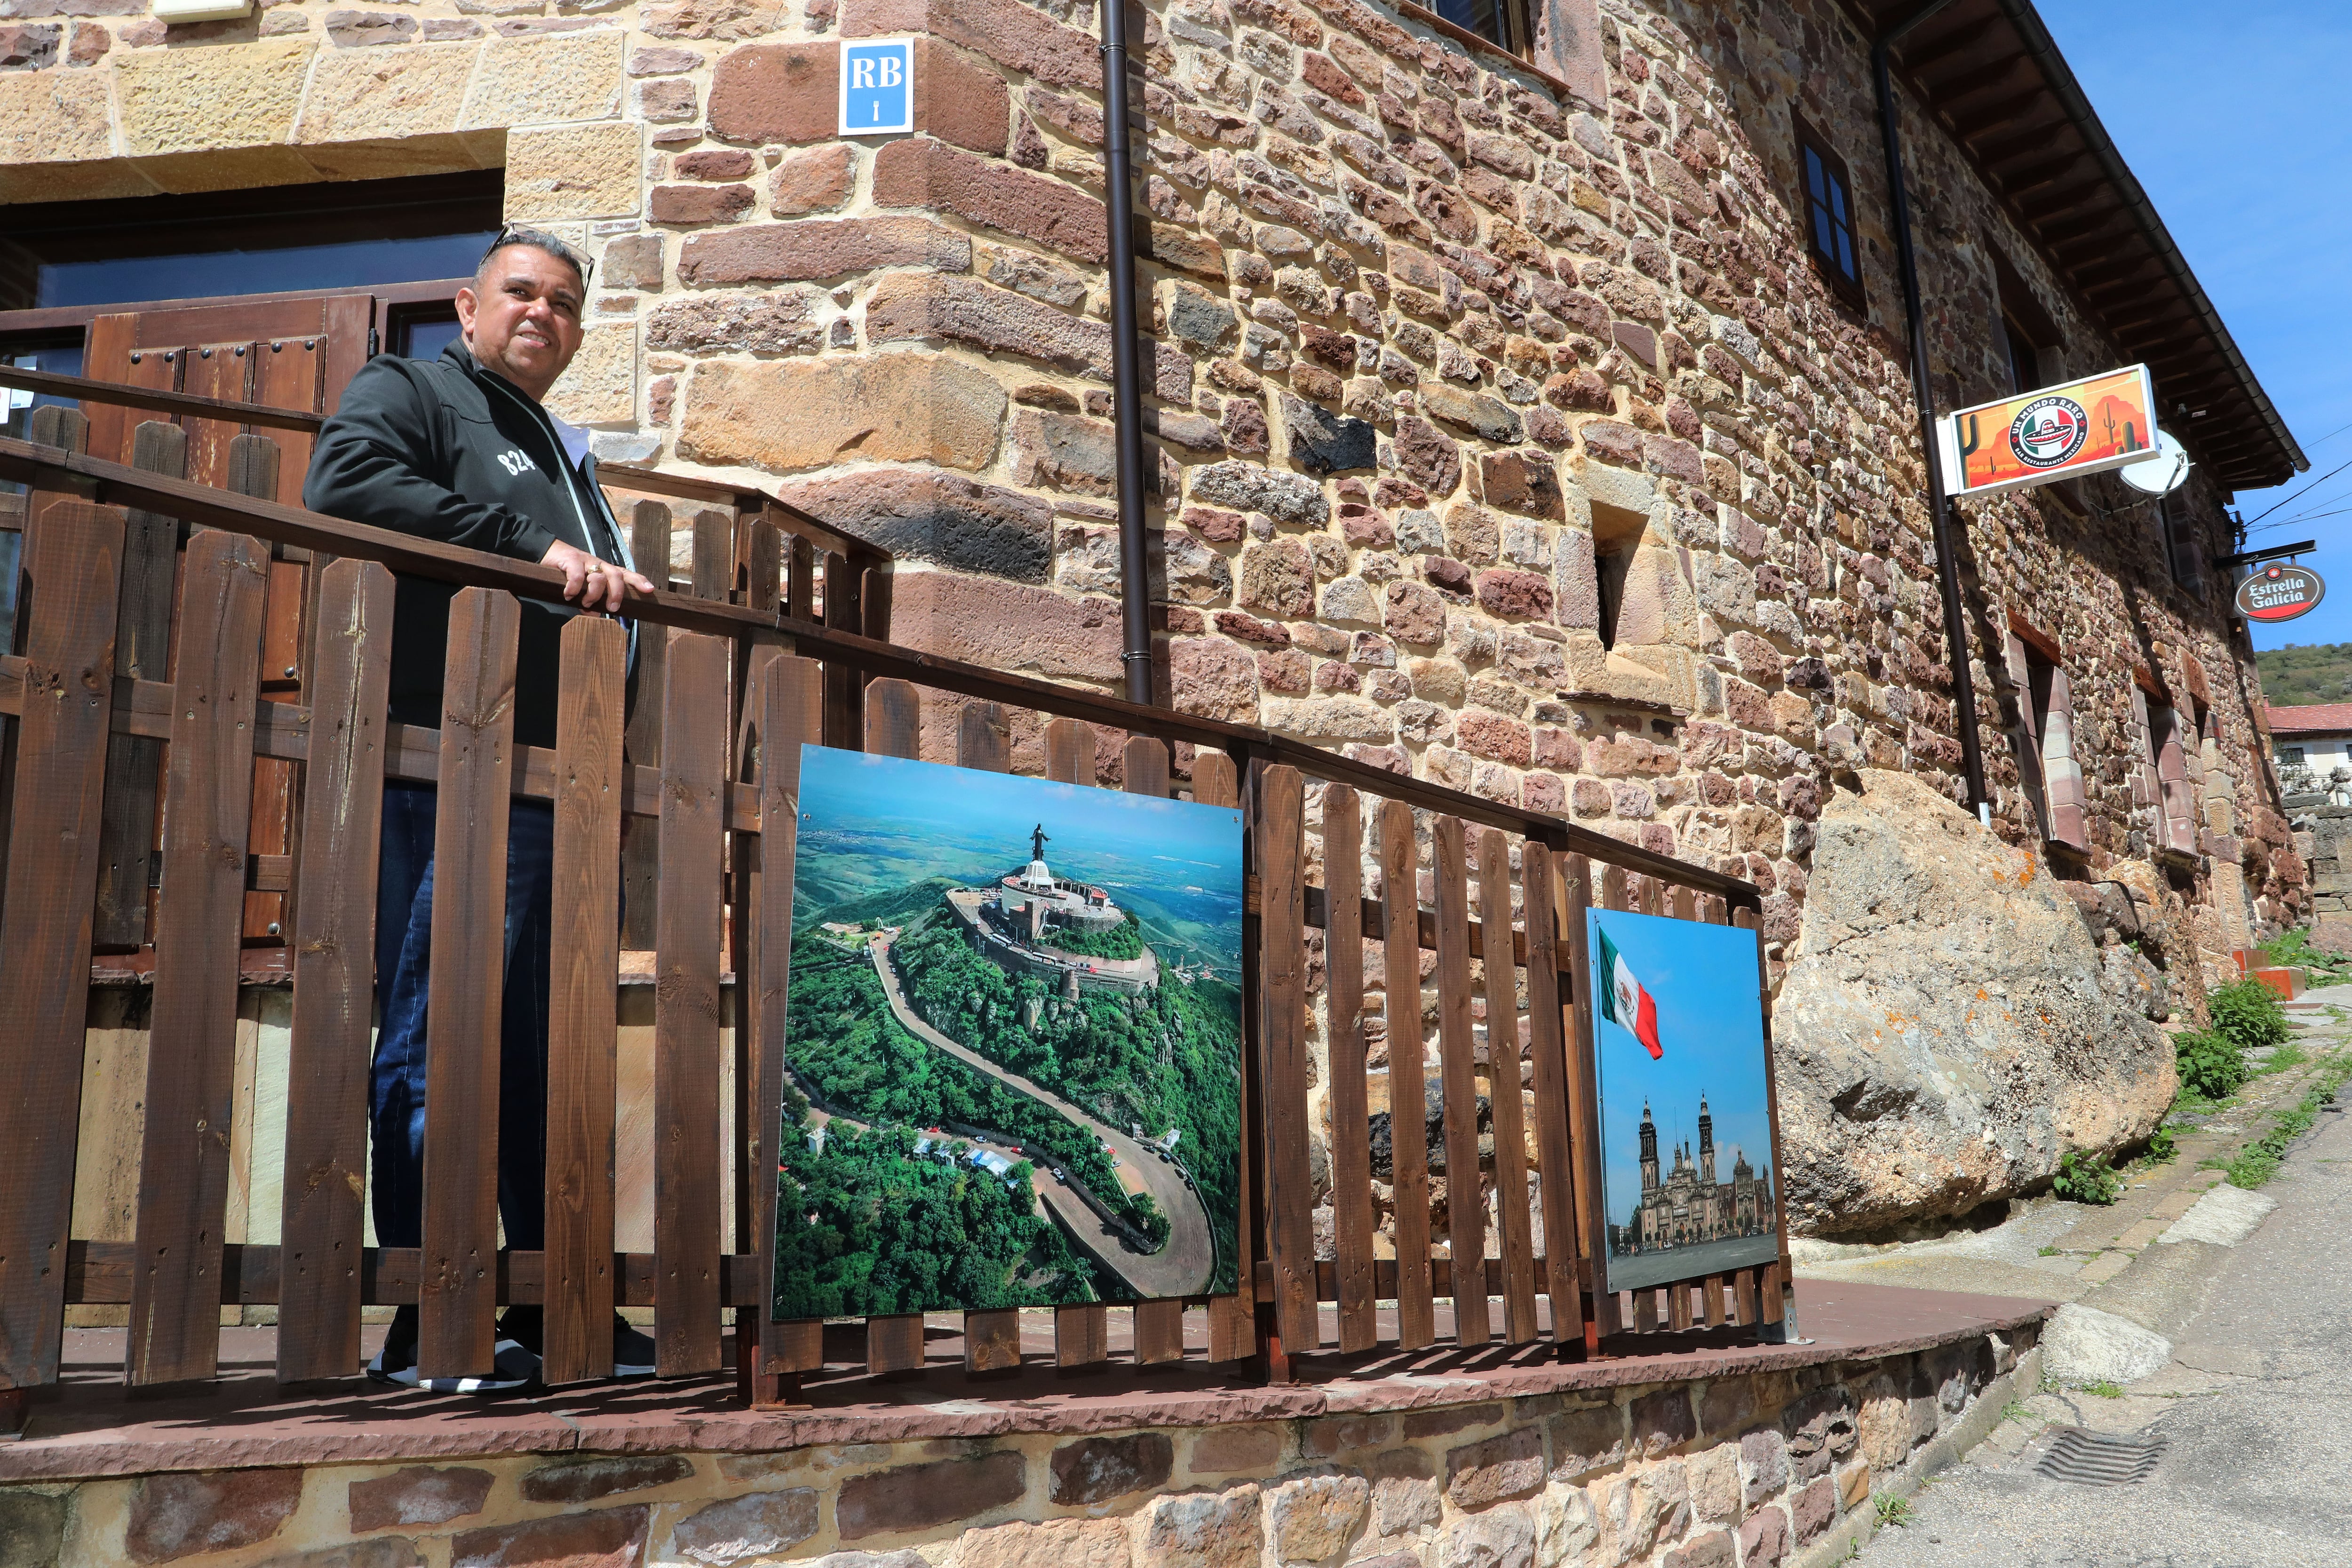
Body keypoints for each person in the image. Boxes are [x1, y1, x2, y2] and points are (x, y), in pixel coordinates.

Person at [305, 226, 659, 1393]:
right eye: (522, 294)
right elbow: (346, 482)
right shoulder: (412, 389)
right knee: (435, 1036)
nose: (542, 315)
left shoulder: (558, 445)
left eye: (564, 302)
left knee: (543, 1052)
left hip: (563, 783)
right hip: (453, 764)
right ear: (468, 305)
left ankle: (557, 1316)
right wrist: (532, 545)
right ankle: (428, 1325)